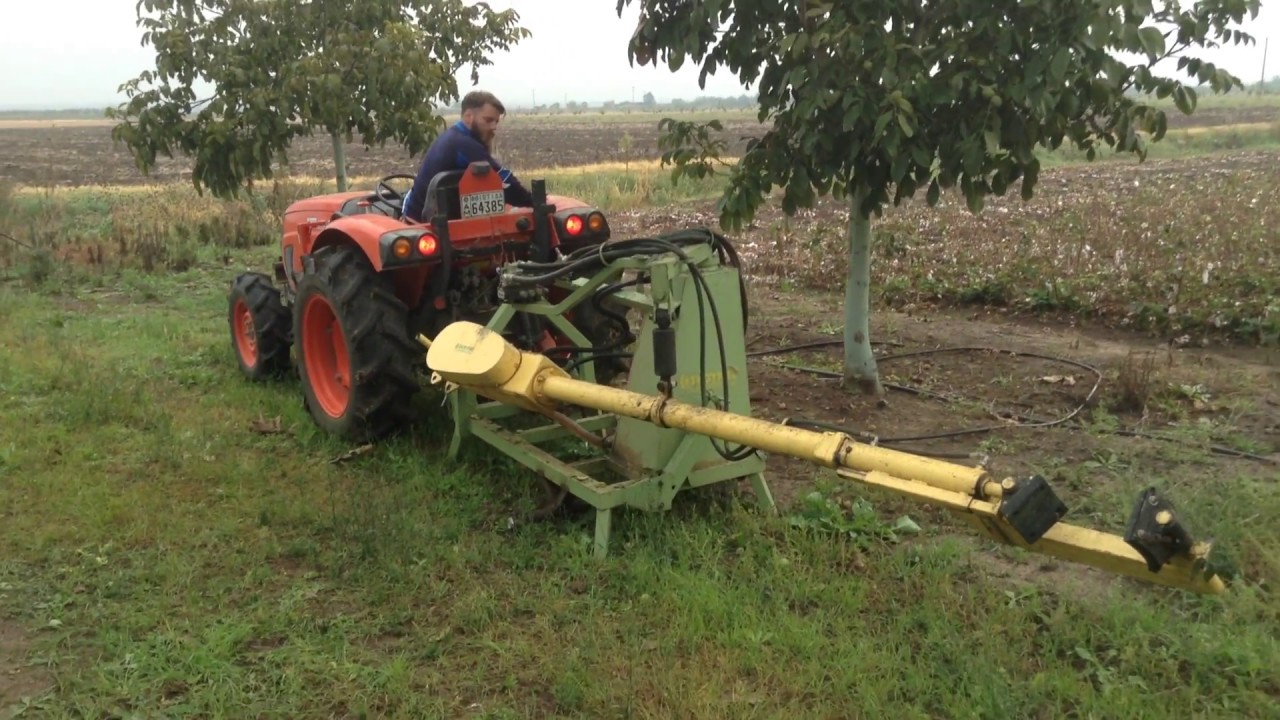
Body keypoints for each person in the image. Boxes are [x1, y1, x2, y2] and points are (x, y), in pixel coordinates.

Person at [401, 90, 535, 222]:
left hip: (425, 214)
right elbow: (505, 181)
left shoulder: (453, 136)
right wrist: (534, 202)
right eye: (488, 120)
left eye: (496, 122)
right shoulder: (463, 144)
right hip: (425, 222)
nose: (493, 127)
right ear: (468, 116)